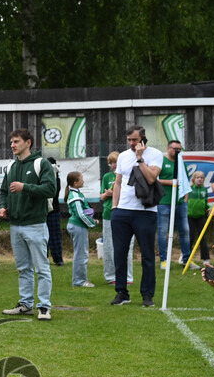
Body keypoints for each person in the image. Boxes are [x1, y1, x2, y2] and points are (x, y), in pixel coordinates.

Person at [0, 128, 56, 320]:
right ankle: (25, 304)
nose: (12, 145)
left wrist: (25, 187)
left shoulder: (41, 163)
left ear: (28, 143)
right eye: (11, 142)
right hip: (15, 225)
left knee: (42, 268)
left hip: (36, 224)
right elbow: (4, 191)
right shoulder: (10, 166)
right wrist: (3, 207)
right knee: (23, 268)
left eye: (16, 141)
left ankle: (44, 307)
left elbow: (50, 189)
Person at [110, 125, 163, 307]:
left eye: (135, 140)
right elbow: (118, 182)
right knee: (120, 254)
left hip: (146, 212)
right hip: (122, 211)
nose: (132, 143)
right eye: (129, 140)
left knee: (147, 255)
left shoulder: (155, 154)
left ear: (143, 138)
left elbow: (151, 178)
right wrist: (115, 207)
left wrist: (140, 159)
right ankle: (121, 292)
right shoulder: (123, 156)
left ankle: (147, 294)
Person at [157, 140, 194, 269]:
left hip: (180, 202)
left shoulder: (181, 162)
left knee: (185, 230)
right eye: (175, 149)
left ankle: (186, 259)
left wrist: (185, 199)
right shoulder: (161, 161)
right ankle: (163, 260)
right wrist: (171, 182)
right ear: (168, 149)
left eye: (179, 149)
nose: (178, 151)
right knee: (163, 231)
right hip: (164, 201)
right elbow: (154, 179)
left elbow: (185, 181)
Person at [100, 151, 133, 285]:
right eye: (111, 163)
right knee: (109, 246)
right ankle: (110, 276)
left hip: (125, 212)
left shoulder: (127, 175)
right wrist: (108, 194)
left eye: (115, 162)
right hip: (109, 214)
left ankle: (128, 277)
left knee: (127, 246)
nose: (113, 165)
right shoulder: (107, 177)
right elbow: (102, 197)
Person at [65, 171, 97, 288]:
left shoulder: (76, 193)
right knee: (81, 255)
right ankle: (79, 281)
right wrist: (92, 223)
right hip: (78, 226)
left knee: (81, 253)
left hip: (78, 226)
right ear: (75, 182)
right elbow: (80, 214)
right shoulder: (75, 196)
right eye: (81, 178)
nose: (83, 181)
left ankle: (80, 279)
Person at [187, 171, 210, 265]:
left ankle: (206, 259)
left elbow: (205, 202)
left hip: (201, 217)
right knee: (190, 237)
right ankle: (186, 257)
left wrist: (209, 208)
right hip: (190, 216)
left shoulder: (204, 190)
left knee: (203, 238)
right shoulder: (189, 189)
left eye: (201, 178)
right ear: (193, 179)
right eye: (198, 177)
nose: (200, 179)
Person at [46, 157, 64, 266]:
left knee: (54, 235)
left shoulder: (56, 180)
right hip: (43, 211)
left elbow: (53, 192)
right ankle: (44, 258)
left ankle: (58, 259)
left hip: (54, 210)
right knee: (43, 236)